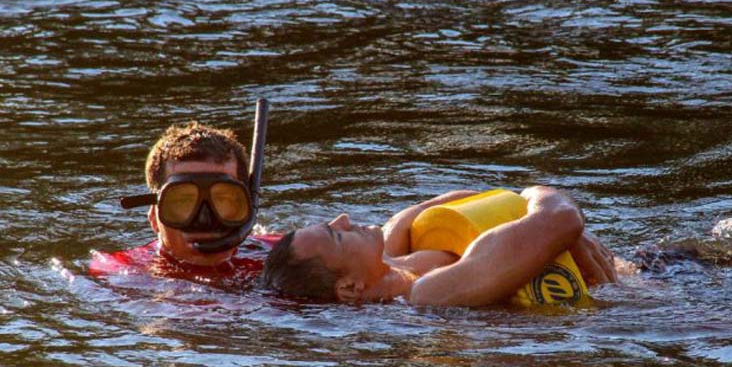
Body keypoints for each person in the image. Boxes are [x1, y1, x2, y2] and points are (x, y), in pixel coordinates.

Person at [260, 186, 619, 307]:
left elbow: (488, 198)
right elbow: (562, 219)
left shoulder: (392, 248)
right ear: (350, 288)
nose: (342, 218)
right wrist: (537, 199)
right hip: (658, 287)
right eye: (335, 235)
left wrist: (555, 232)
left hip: (638, 266)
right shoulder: (431, 293)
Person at [90, 101, 277, 289]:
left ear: (247, 207)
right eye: (183, 201)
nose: (204, 220)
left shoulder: (285, 256)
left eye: (223, 199)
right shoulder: (123, 272)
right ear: (154, 216)